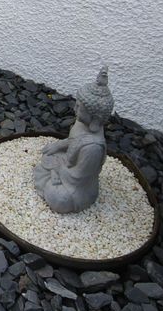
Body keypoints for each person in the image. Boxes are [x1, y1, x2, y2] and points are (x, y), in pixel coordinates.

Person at [33, 67, 115, 214]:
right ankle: (51, 176)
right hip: (68, 163)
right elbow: (73, 141)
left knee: (60, 199)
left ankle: (53, 183)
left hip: (76, 187)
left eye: (80, 108)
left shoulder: (93, 147)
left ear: (95, 118)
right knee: (46, 158)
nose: (75, 109)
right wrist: (59, 145)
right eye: (76, 105)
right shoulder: (80, 124)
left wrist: (57, 169)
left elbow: (78, 177)